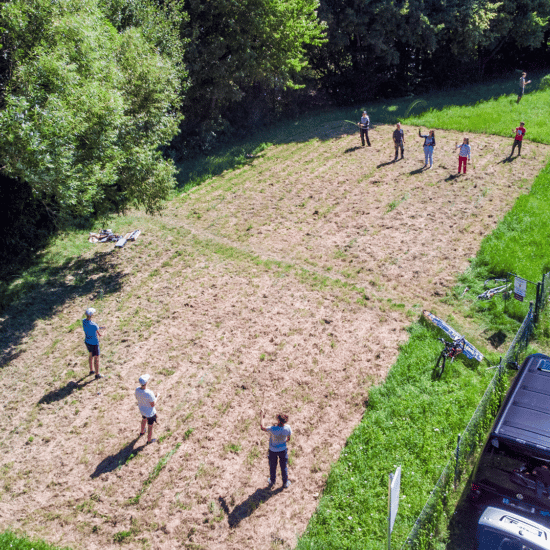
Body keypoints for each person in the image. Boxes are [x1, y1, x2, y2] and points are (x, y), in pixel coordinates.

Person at [260, 410, 292, 489]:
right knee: (283, 467)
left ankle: (272, 481)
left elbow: (262, 427)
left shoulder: (273, 429)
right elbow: (288, 439)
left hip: (273, 451)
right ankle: (285, 483)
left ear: (278, 420)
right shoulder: (287, 428)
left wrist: (262, 416)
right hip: (283, 450)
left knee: (273, 466)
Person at [135, 374, 159, 444]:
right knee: (150, 426)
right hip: (150, 413)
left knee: (143, 419)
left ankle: (142, 432)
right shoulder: (149, 393)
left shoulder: (137, 390)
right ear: (146, 383)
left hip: (142, 410)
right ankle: (149, 440)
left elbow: (137, 398)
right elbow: (153, 404)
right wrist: (157, 397)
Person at [82, 307, 104, 379]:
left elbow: (95, 328)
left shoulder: (83, 322)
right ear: (91, 315)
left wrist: (99, 327)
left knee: (90, 355)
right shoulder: (94, 325)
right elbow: (98, 331)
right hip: (94, 343)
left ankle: (91, 370)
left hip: (87, 342)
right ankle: (97, 375)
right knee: (96, 358)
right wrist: (102, 329)